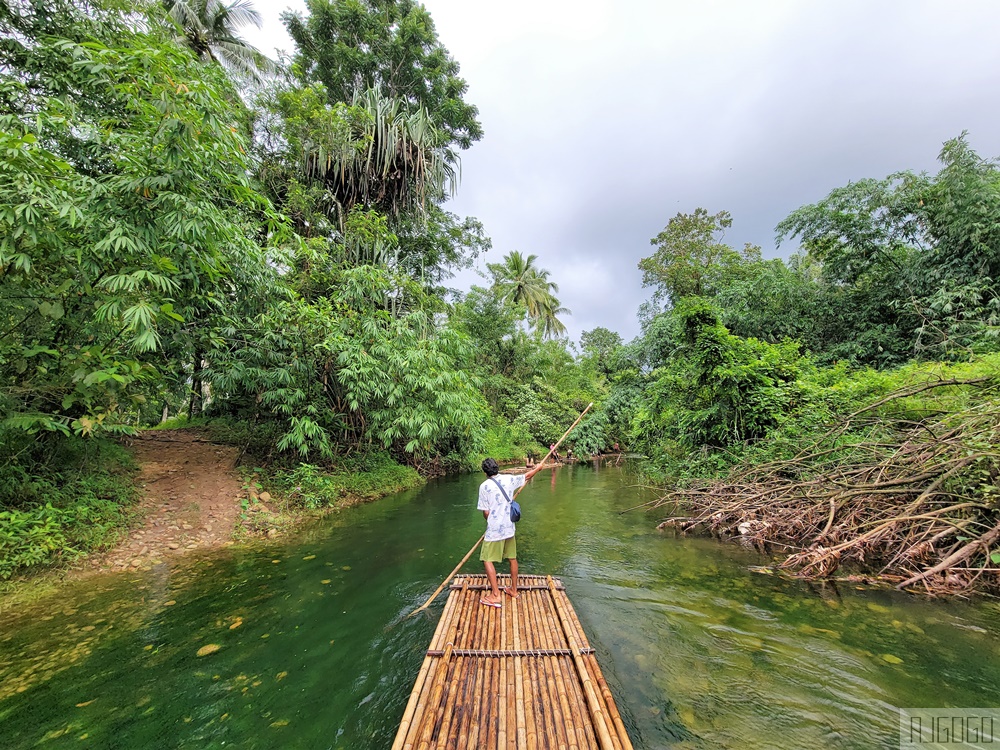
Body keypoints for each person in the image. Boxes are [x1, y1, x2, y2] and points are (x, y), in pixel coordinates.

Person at [477, 457, 542, 607]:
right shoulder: (508, 479)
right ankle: (514, 590)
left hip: (494, 530)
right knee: (512, 558)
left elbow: (486, 512)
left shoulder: (484, 486)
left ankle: (495, 595)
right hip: (509, 528)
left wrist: (490, 522)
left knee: (487, 559)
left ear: (485, 472)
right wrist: (538, 468)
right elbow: (526, 476)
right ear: (497, 468)